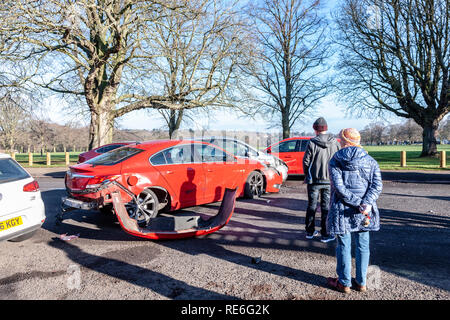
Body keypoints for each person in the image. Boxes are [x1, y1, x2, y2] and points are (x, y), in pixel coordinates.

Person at [326, 128, 383, 293]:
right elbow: (377, 185)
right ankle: (361, 282)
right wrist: (365, 203)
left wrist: (358, 203)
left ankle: (344, 283)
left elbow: (339, 188)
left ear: (344, 141)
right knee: (363, 245)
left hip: (342, 210)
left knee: (343, 245)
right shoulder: (370, 161)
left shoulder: (335, 160)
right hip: (364, 212)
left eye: (339, 139)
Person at [302, 117, 341, 243]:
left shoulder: (312, 142)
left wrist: (307, 174)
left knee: (311, 206)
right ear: (326, 128)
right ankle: (325, 234)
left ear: (315, 129)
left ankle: (310, 231)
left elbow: (306, 161)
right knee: (326, 207)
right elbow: (339, 160)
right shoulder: (335, 143)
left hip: (314, 180)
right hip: (329, 180)